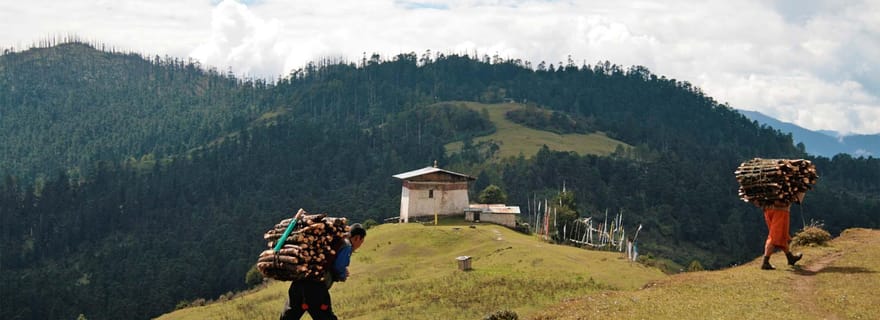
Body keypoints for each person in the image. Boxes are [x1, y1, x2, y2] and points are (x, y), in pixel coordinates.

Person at [280, 223, 367, 320]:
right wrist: (343, 275)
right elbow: (339, 266)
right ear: (357, 238)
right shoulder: (346, 245)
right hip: (316, 288)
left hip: (299, 282)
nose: (360, 245)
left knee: (288, 317)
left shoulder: (336, 241)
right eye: (362, 241)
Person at [758, 192, 804, 270]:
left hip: (767, 209)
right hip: (780, 210)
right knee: (774, 237)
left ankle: (790, 258)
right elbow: (797, 198)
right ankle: (765, 262)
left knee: (782, 235)